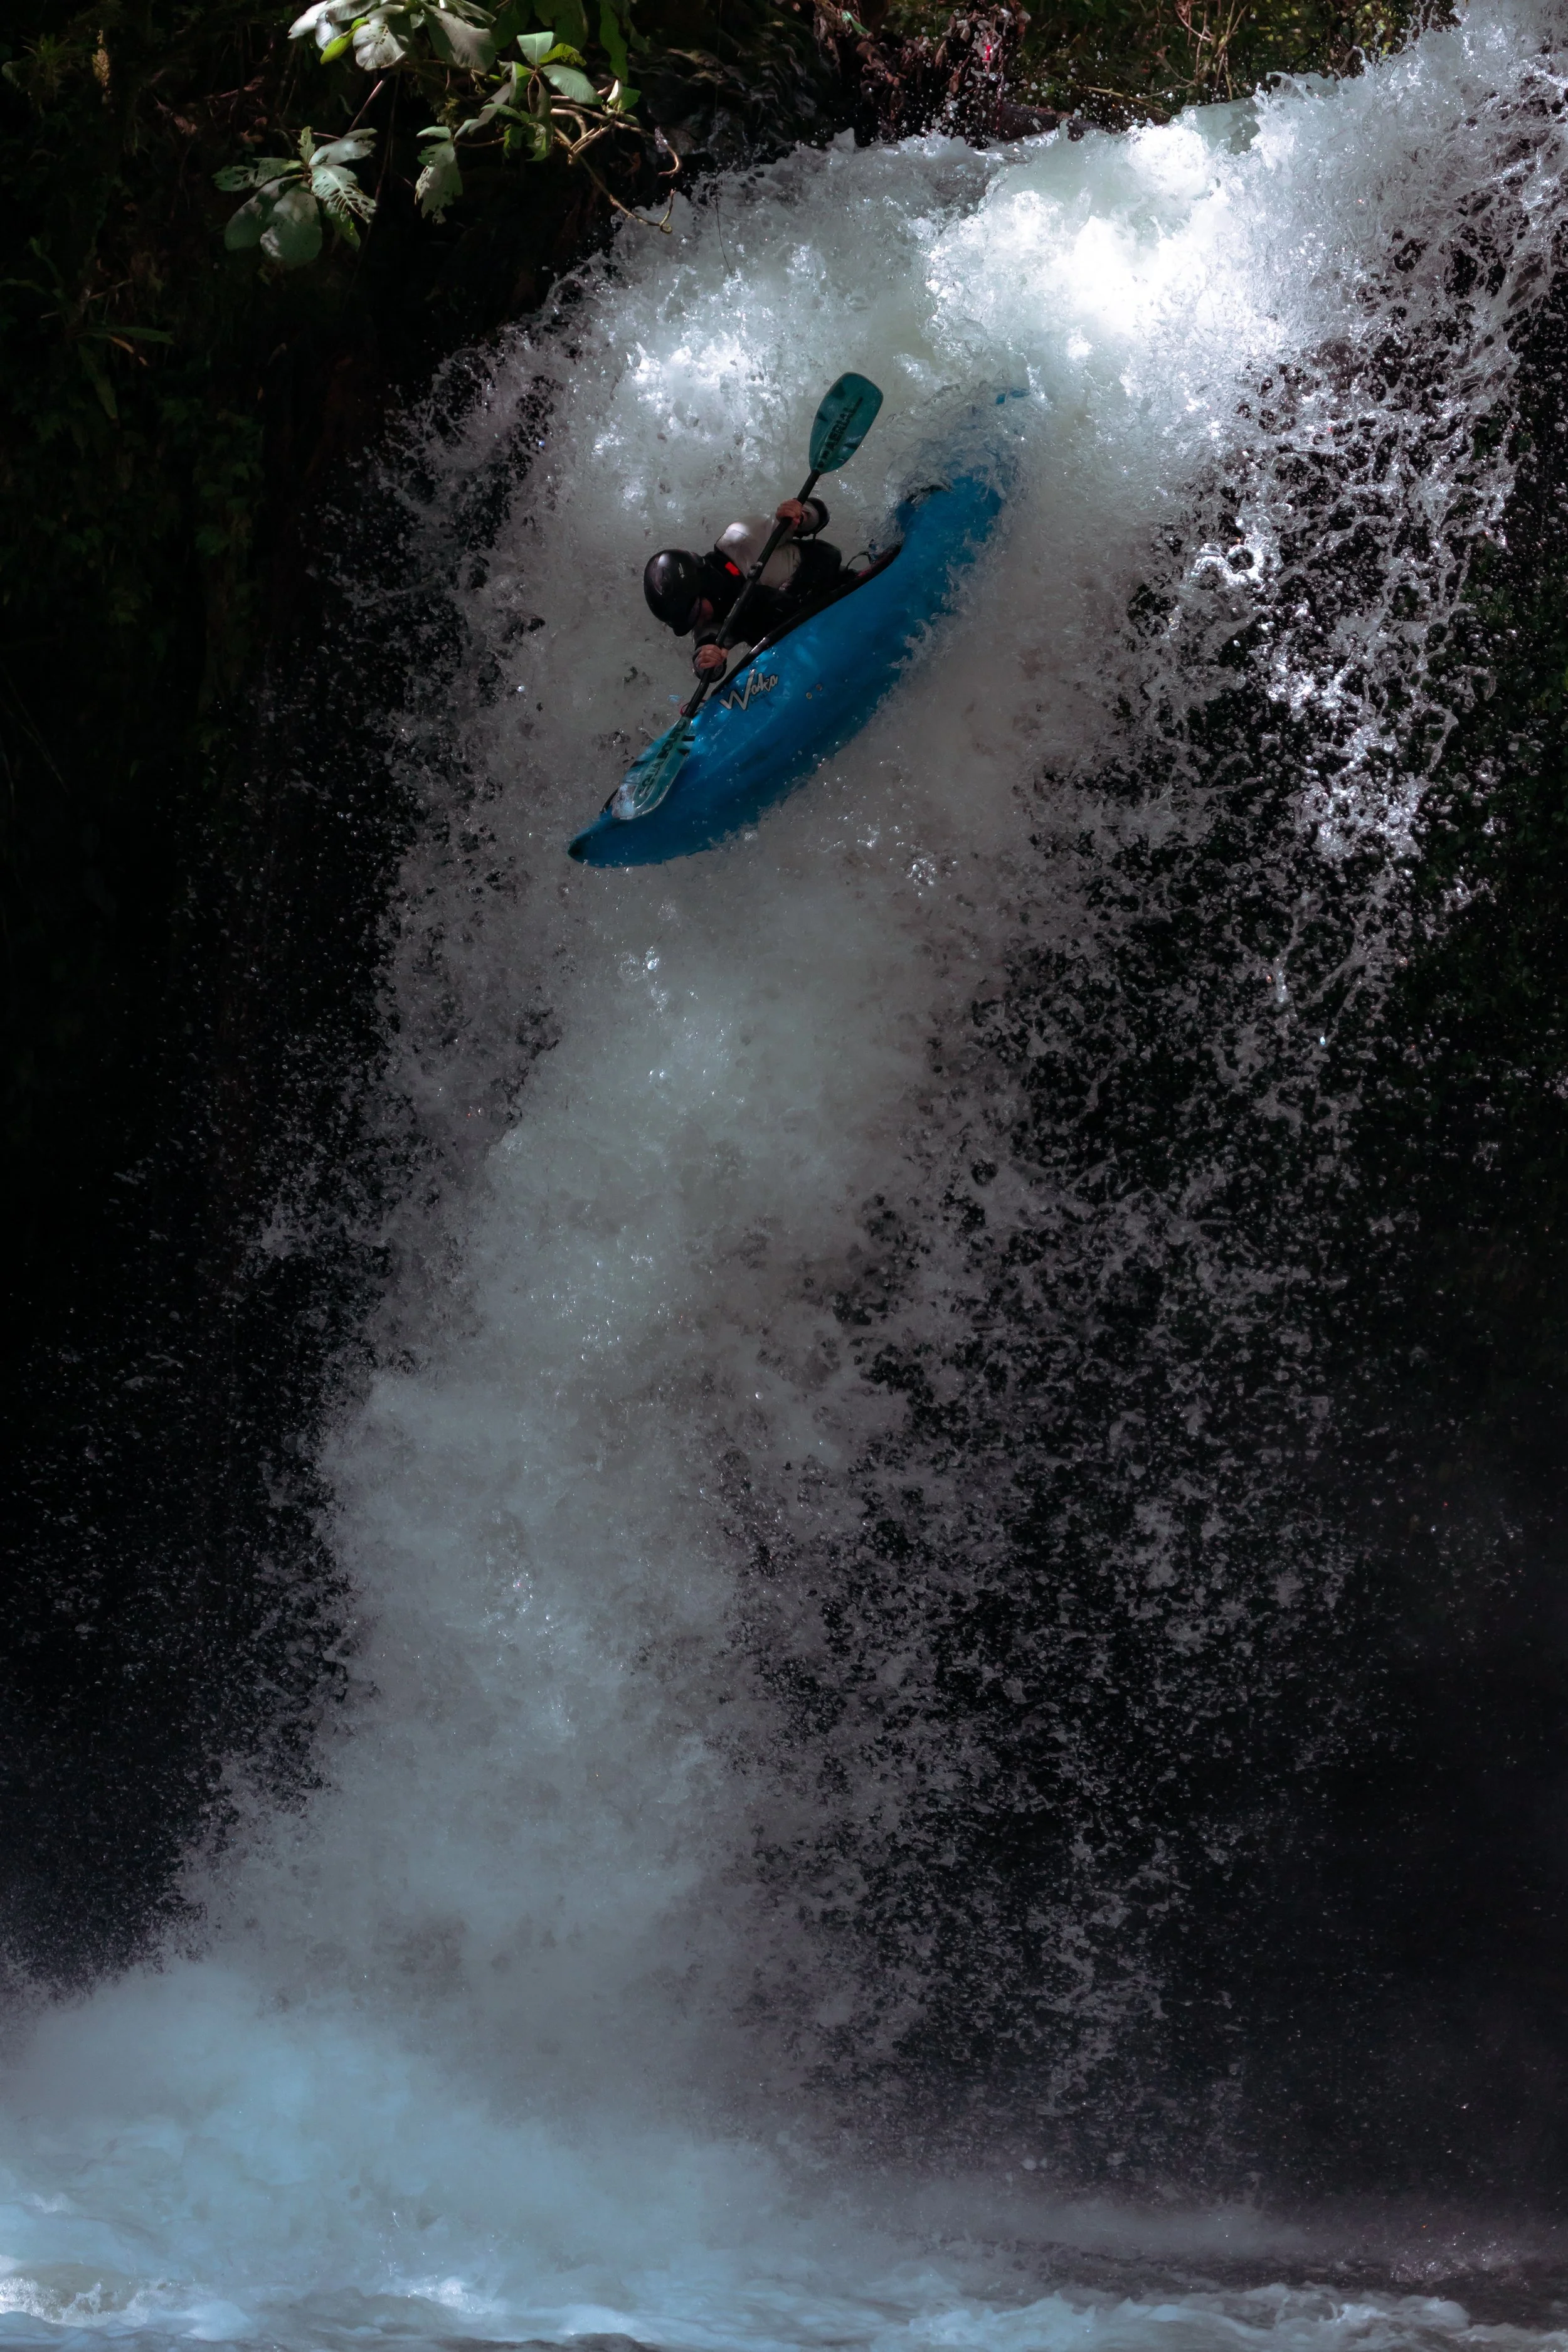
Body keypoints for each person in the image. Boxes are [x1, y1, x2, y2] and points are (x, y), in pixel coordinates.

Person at [643, 498, 845, 680]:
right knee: (754, 609)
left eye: (696, 611)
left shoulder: (743, 537)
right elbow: (706, 661)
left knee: (757, 601)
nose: (699, 621)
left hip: (837, 584)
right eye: (690, 620)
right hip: (810, 636)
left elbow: (818, 514)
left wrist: (801, 514)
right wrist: (707, 663)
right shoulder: (709, 623)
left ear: (704, 584)